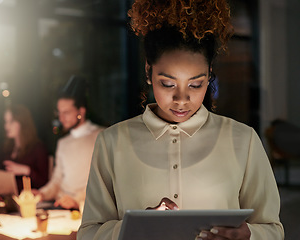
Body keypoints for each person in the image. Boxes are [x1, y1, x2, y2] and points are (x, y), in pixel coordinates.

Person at [77, 0, 284, 240]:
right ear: (148, 72)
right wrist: (135, 229)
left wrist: (248, 235)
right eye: (168, 84)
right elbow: (88, 233)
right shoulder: (112, 142)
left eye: (196, 84)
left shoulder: (243, 140)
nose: (181, 99)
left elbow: (272, 229)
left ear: (209, 78)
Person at [35, 75, 103, 210]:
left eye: (66, 112)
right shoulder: (63, 143)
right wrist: (41, 193)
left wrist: (77, 201)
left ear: (81, 112)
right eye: (59, 113)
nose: (61, 118)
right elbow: (57, 180)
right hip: (59, 205)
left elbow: (103, 183)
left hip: (84, 207)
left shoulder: (101, 137)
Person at [0, 104, 49, 192]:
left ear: (23, 123)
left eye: (11, 122)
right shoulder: (6, 147)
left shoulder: (38, 148)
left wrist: (26, 170)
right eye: (6, 122)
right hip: (6, 196)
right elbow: (2, 176)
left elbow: (44, 184)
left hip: (27, 200)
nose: (6, 126)